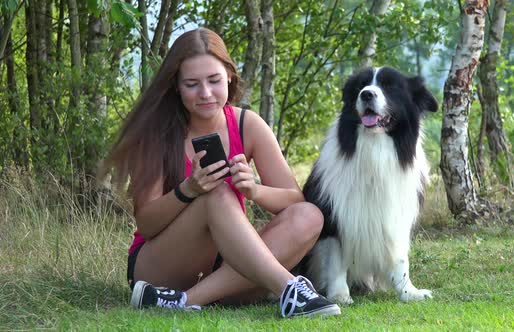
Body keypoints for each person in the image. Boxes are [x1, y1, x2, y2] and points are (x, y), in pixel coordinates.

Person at [101, 28, 341, 318]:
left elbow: (294, 200)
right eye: (192, 84)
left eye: (214, 81)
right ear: (176, 85)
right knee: (217, 192)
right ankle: (289, 289)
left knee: (310, 215)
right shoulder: (157, 134)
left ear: (229, 75)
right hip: (160, 267)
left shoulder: (247, 125)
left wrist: (254, 190)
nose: (205, 93)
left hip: (227, 267)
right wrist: (187, 190)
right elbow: (147, 224)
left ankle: (185, 300)